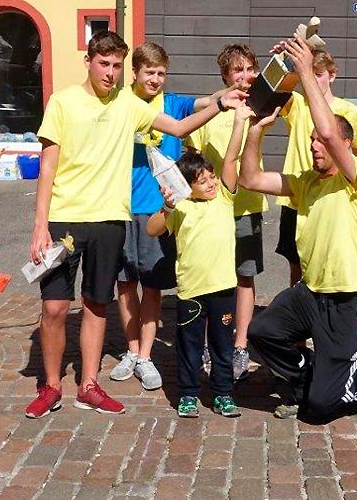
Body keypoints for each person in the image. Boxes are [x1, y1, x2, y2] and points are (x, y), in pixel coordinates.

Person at [25, 31, 246, 419]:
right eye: (104, 64)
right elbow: (47, 165)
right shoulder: (63, 101)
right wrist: (40, 225)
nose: (110, 73)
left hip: (111, 219)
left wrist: (221, 104)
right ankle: (51, 385)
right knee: (56, 306)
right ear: (89, 61)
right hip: (65, 218)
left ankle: (89, 385)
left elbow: (179, 128)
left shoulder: (128, 104)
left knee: (97, 304)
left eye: (115, 65)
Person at [240, 36, 357, 420]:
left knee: (321, 408)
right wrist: (257, 129)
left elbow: (327, 131)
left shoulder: (356, 175)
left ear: (346, 144)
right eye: (309, 142)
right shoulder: (305, 180)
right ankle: (311, 375)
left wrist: (306, 70)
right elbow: (251, 179)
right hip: (309, 293)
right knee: (262, 331)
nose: (315, 146)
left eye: (322, 142)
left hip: (346, 300)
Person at [110, 41, 225, 391]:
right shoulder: (119, 104)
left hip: (159, 209)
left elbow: (206, 101)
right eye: (150, 72)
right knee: (125, 283)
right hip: (118, 205)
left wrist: (233, 92)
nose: (156, 79)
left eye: (162, 73)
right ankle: (131, 350)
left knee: (154, 284)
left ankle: (145, 355)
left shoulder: (172, 104)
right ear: (135, 72)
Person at [146, 144, 245, 418]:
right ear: (187, 186)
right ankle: (188, 394)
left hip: (224, 288)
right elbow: (152, 229)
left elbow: (232, 156)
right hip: (190, 290)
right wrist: (167, 206)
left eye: (211, 177)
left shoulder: (225, 198)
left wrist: (239, 121)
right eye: (202, 181)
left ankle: (223, 393)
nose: (211, 183)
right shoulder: (181, 207)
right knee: (189, 345)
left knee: (222, 345)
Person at [186, 44, 266, 382]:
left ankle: (240, 344)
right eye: (238, 71)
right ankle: (210, 341)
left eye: (250, 69)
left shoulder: (260, 105)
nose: (245, 76)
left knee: (244, 276)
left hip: (246, 204)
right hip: (209, 211)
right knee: (211, 278)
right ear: (225, 76)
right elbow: (191, 158)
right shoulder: (210, 110)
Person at [276, 48, 357, 286]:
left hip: (333, 198)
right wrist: (288, 62)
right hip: (297, 194)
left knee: (329, 258)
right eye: (309, 73)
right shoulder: (298, 103)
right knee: (296, 263)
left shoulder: (350, 111)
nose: (313, 79)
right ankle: (299, 312)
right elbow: (276, 91)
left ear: (332, 75)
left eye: (318, 74)